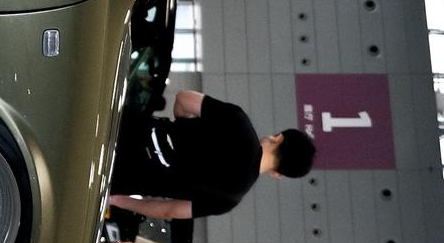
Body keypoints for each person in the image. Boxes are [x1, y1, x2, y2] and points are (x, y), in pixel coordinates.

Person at [110, 89, 316, 220]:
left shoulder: (239, 122)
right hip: (122, 177)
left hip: (126, 129)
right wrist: (119, 200)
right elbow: (169, 210)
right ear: (278, 174)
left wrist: (183, 128)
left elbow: (183, 98)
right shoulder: (230, 198)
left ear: (278, 138)